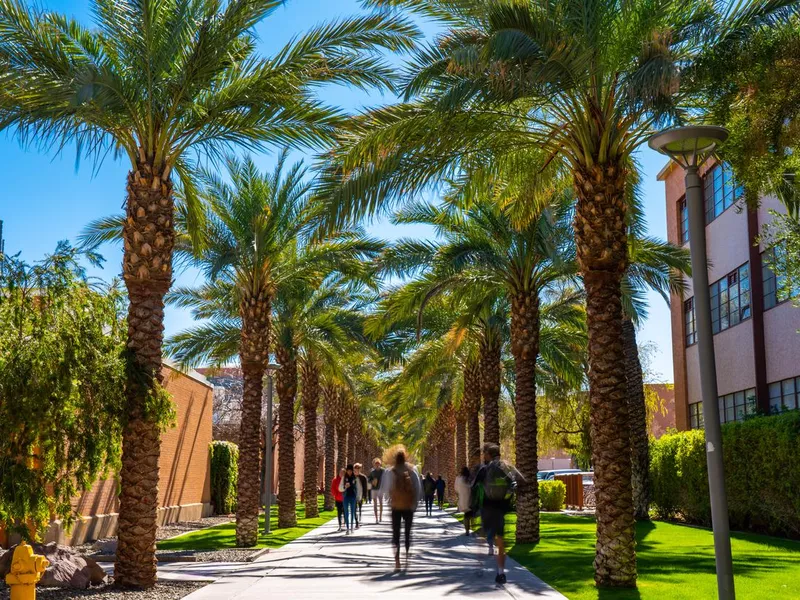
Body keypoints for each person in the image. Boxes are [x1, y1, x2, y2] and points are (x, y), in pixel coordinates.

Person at [472, 443, 524, 586]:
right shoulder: (506, 467)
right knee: (500, 540)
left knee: (482, 535)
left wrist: (474, 506)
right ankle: (500, 573)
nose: (484, 456)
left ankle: (480, 565)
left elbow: (473, 486)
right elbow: (519, 481)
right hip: (500, 509)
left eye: (485, 454)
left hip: (487, 508)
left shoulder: (485, 469)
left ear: (488, 454)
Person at [381, 446, 421, 572]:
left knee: (396, 534)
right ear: (405, 457)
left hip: (396, 506)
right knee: (407, 534)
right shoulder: (412, 470)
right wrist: (415, 503)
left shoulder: (390, 471)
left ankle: (397, 560)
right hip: (408, 506)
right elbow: (418, 488)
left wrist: (389, 501)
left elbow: (386, 490)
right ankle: (407, 558)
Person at [339, 464, 358, 534]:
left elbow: (357, 488)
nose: (349, 472)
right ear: (346, 471)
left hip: (353, 497)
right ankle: (347, 528)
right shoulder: (344, 478)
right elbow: (340, 488)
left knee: (353, 512)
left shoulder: (355, 478)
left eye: (350, 471)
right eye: (348, 471)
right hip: (346, 497)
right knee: (346, 512)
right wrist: (345, 487)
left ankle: (352, 527)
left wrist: (357, 495)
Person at [455, 466, 472, 536]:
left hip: (462, 499)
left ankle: (467, 529)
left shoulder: (458, 479)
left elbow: (456, 489)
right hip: (470, 498)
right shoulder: (469, 479)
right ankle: (468, 529)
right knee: (469, 514)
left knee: (466, 515)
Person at [369, 458, 386, 524]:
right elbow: (369, 479)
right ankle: (376, 518)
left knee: (381, 503)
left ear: (380, 464)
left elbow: (385, 479)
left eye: (378, 463)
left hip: (380, 489)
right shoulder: (372, 472)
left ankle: (380, 517)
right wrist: (372, 481)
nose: (377, 465)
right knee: (375, 504)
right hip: (374, 489)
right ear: (374, 464)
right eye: (376, 464)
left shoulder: (383, 471)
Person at [354, 463, 369, 527]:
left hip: (360, 494)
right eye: (356, 468)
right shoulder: (351, 476)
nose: (357, 470)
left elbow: (365, 487)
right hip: (353, 495)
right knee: (354, 508)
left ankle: (359, 516)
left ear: (360, 469)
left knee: (360, 507)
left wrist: (365, 496)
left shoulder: (363, 477)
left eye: (358, 468)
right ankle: (356, 521)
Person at [332, 468, 345, 532]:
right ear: (338, 473)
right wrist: (335, 494)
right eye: (341, 472)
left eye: (343, 473)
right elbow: (333, 488)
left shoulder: (346, 480)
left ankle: (344, 524)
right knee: (339, 513)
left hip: (345, 499)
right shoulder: (335, 480)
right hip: (338, 499)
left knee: (345, 512)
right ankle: (340, 525)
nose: (342, 474)